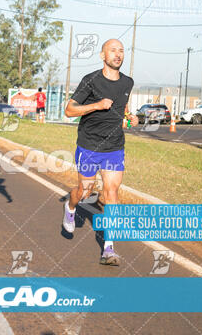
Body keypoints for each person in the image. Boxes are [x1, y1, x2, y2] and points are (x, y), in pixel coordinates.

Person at [63, 39, 138, 266]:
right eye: (113, 50)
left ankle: (108, 248)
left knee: (111, 193)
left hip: (114, 147)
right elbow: (69, 110)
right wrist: (96, 105)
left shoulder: (128, 82)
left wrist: (129, 118)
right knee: (85, 192)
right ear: (102, 55)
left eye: (121, 51)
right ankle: (70, 206)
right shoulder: (91, 80)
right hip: (89, 145)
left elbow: (121, 108)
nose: (118, 54)